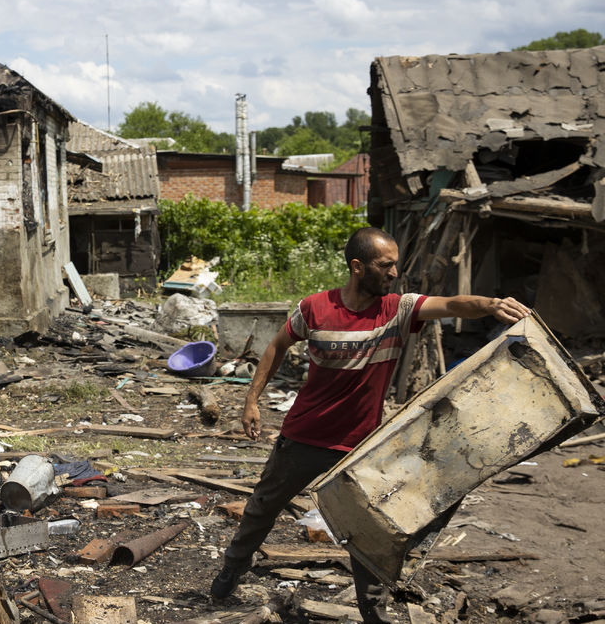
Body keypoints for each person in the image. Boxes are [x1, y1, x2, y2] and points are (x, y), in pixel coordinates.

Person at [209, 226, 529, 623]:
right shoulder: (314, 308)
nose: (395, 272)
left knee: (368, 532)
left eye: (396, 263)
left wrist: (490, 303)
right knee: (262, 509)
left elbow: (452, 305)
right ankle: (230, 571)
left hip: (363, 447)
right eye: (386, 265)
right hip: (305, 437)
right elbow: (277, 346)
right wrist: (251, 400)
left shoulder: (398, 309)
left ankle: (373, 613)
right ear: (358, 267)